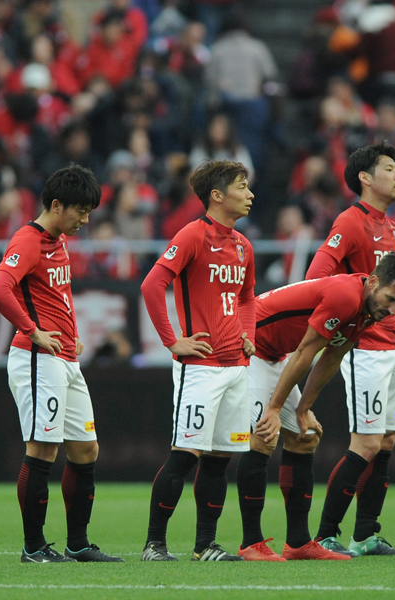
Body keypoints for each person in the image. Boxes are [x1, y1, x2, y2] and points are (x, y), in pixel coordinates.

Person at [237, 252, 395, 561]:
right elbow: (305, 353)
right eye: (390, 299)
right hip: (250, 346)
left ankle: (298, 543)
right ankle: (250, 543)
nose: (392, 310)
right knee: (263, 435)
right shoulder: (344, 297)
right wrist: (274, 408)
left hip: (274, 354)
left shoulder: (366, 308)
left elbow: (331, 358)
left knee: (304, 436)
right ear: (373, 281)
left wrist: (302, 409)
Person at [0, 165, 122, 564]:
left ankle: (77, 544)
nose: (85, 219)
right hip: (36, 358)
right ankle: (33, 547)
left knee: (85, 449)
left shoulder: (57, 240)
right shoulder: (28, 240)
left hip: (64, 356)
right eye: (80, 210)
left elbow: (56, 295)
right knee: (43, 448)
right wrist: (32, 330)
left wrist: (70, 332)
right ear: (56, 204)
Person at [140, 159, 256, 562]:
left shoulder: (243, 245)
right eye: (242, 186)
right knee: (185, 455)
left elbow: (246, 298)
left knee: (220, 460)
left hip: (235, 367)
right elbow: (152, 284)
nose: (250, 194)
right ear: (217, 196)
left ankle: (205, 545)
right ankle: (154, 544)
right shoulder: (192, 234)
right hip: (201, 370)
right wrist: (174, 342)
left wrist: (248, 336)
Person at [305, 141, 395, 556]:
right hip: (367, 348)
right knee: (364, 444)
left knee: (385, 442)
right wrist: (348, 315)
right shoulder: (350, 222)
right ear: (365, 178)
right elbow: (317, 278)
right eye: (389, 168)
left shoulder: (393, 227)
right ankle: (325, 534)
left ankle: (366, 534)